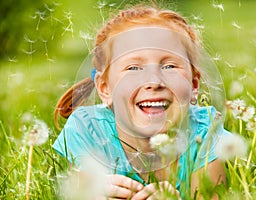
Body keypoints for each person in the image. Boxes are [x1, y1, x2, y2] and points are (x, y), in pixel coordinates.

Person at [53, 5, 230, 200]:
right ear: (105, 88)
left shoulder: (205, 133)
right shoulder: (88, 130)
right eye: (134, 68)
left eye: (169, 66)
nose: (153, 82)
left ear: (193, 85)